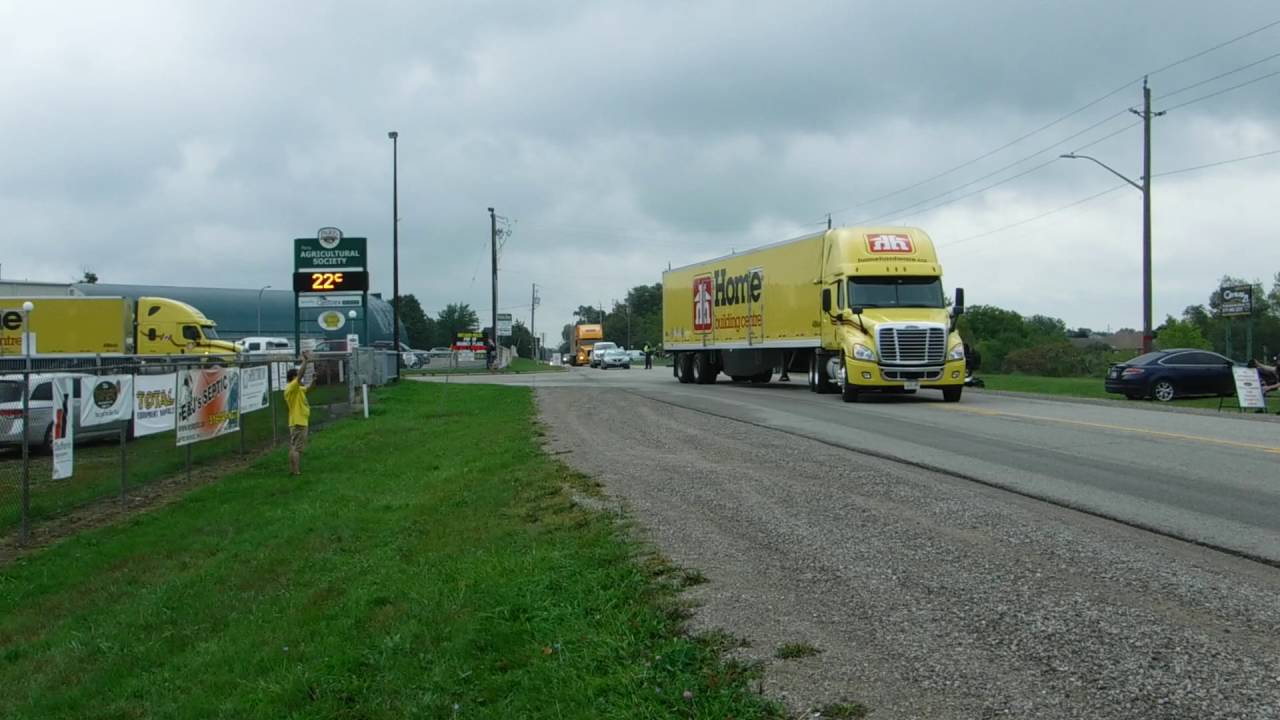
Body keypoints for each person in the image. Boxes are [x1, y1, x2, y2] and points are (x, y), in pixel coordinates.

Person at [284, 351, 312, 476]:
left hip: (298, 421)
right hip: (298, 421)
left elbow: (309, 388)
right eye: (297, 377)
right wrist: (305, 361)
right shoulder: (291, 387)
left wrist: (314, 380)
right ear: (294, 378)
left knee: (294, 446)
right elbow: (300, 375)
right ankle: (296, 471)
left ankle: (293, 470)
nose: (301, 379)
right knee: (297, 448)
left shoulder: (298, 389)